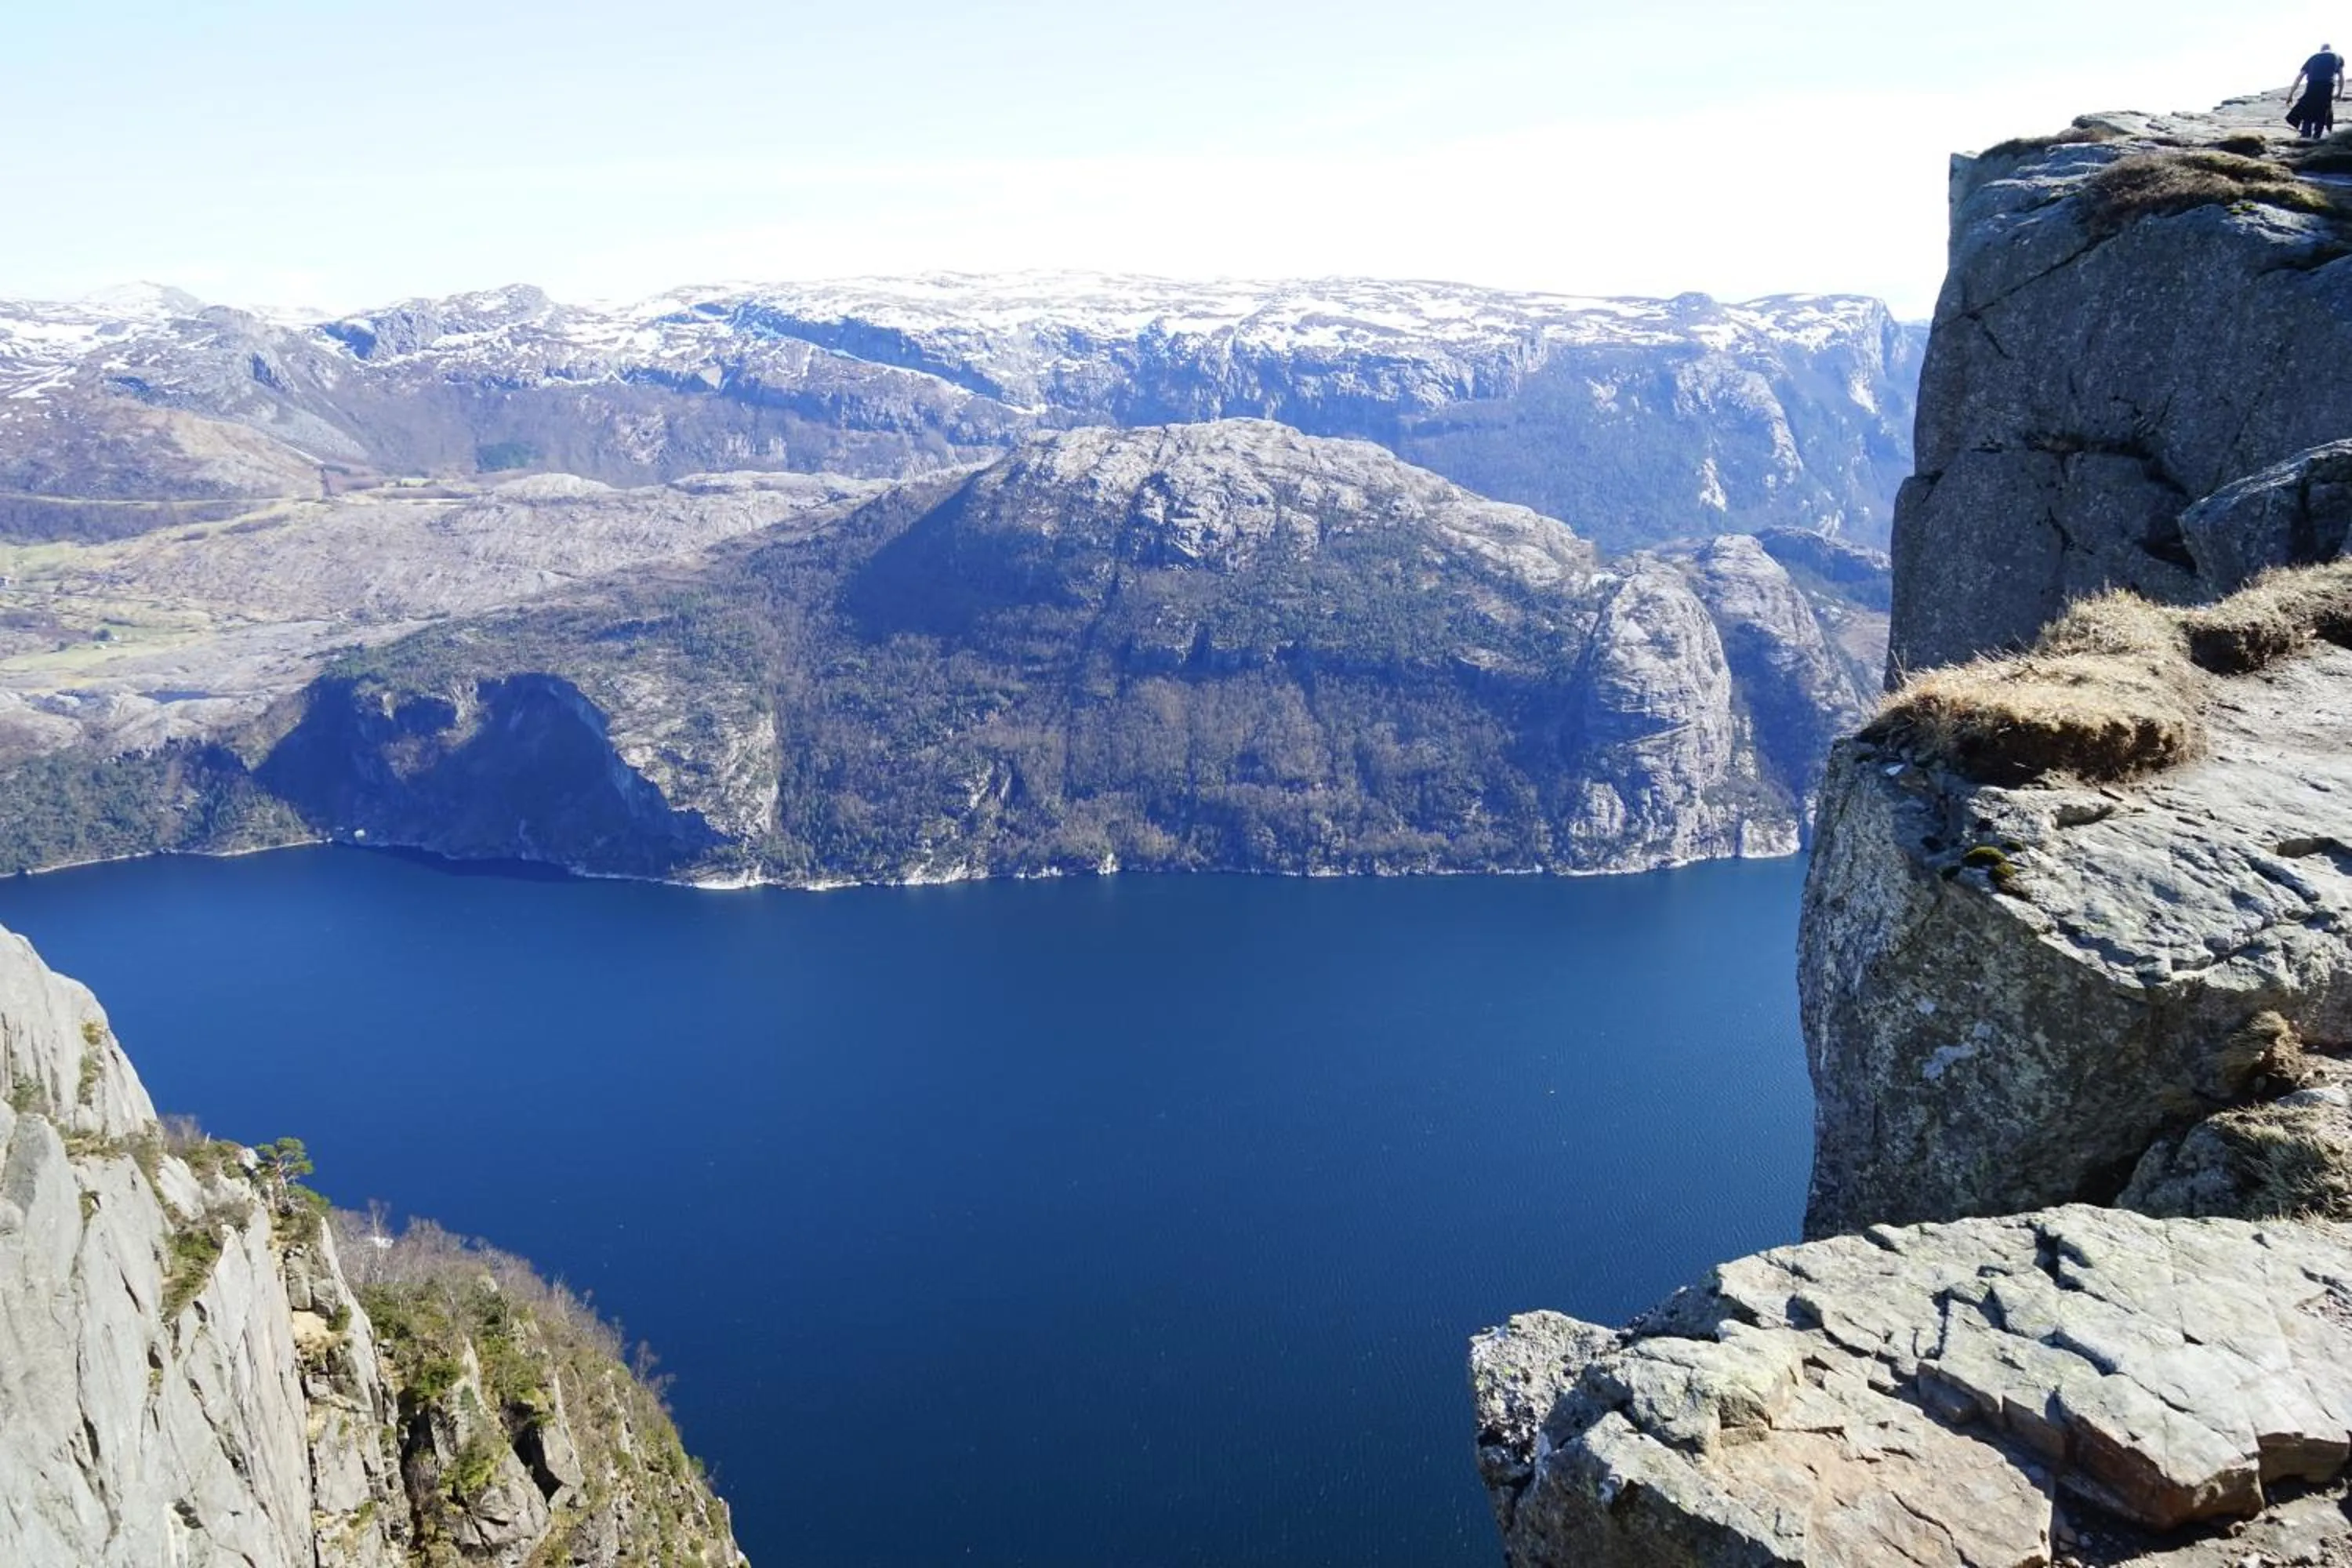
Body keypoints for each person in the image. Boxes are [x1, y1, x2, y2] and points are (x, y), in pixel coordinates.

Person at [2288, 43, 2344, 139]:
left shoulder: (2313, 57)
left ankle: (2306, 137)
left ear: (2321, 50)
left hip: (2312, 85)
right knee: (2322, 110)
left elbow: (2300, 76)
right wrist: (2339, 93)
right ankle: (2317, 137)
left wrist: (2291, 94)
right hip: (2327, 85)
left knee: (2308, 110)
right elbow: (2341, 77)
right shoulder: (2337, 56)